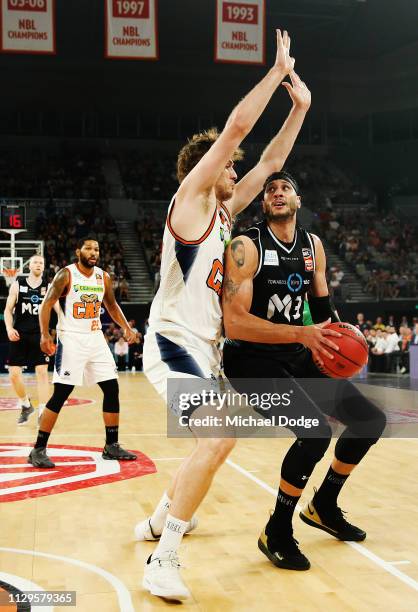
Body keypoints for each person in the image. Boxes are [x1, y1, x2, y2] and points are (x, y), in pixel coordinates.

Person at [138, 30, 311, 600]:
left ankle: (161, 517)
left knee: (214, 440)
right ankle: (163, 559)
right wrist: (275, 71)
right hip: (171, 341)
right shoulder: (190, 200)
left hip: (201, 348)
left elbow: (271, 160)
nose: (238, 176)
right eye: (229, 169)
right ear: (206, 169)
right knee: (218, 438)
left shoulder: (222, 216)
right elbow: (237, 131)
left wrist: (299, 108)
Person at [222, 171, 386, 571]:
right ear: (263, 204)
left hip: (299, 350)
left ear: (298, 200)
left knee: (368, 420)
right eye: (270, 190)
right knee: (314, 433)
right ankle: (276, 531)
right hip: (250, 361)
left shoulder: (313, 246)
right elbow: (234, 323)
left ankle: (323, 504)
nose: (278, 193)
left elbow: (324, 309)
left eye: (285, 188)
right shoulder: (247, 246)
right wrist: (303, 333)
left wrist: (344, 337)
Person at [27, 237, 137, 468]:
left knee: (111, 387)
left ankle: (111, 445)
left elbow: (112, 305)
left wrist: (126, 327)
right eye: (88, 248)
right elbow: (47, 304)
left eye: (96, 248)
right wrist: (45, 334)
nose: (93, 252)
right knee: (61, 393)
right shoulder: (66, 274)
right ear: (79, 251)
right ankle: (38, 449)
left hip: (96, 338)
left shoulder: (103, 277)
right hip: (71, 339)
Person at [4, 254, 50, 425]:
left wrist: (62, 330)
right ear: (29, 266)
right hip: (19, 334)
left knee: (42, 373)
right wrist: (9, 328)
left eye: (41, 263)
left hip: (40, 335)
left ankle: (43, 412)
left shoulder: (49, 286)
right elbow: (8, 310)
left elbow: (59, 311)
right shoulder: (17, 285)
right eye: (35, 262)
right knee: (14, 375)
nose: (38, 264)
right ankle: (26, 405)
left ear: (44, 267)